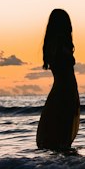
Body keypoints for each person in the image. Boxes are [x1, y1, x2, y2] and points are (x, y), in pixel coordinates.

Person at [36, 8, 80, 151]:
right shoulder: (60, 44)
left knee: (58, 125)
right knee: (63, 126)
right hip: (65, 90)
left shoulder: (52, 44)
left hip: (61, 88)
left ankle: (59, 165)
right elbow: (65, 70)